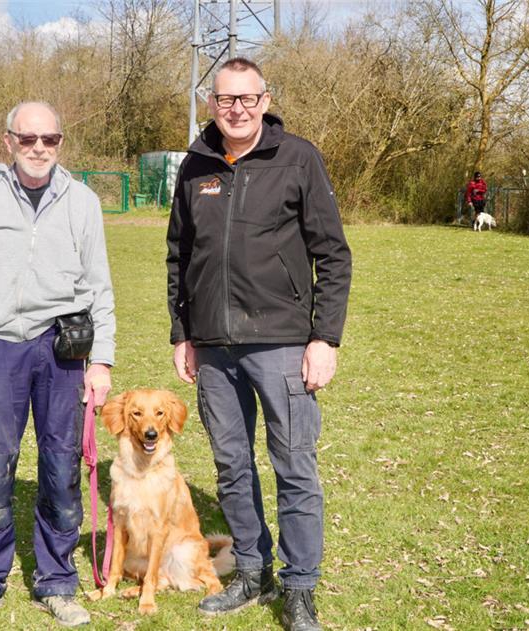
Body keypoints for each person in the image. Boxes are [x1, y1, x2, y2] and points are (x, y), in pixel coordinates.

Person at [166, 58, 352, 631]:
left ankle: (299, 586)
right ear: (212, 102)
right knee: (230, 464)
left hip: (282, 342)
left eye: (248, 98)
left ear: (265, 100)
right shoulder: (195, 166)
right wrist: (182, 332)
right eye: (226, 99)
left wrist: (325, 338)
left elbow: (333, 255)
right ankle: (252, 569)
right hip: (214, 347)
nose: (237, 108)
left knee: (294, 465)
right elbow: (178, 256)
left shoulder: (297, 157)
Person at [0, 101, 116, 628]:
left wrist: (101, 360)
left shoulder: (83, 201)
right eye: (28, 138)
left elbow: (99, 287)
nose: (39, 148)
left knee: (61, 468)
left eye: (51, 139)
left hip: (62, 350)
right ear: (8, 140)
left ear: (61, 142)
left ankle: (57, 581)